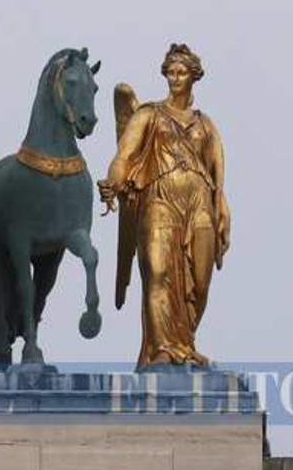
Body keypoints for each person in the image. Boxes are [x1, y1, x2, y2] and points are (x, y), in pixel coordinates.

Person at [98, 43, 231, 368]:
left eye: (181, 72)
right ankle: (161, 348)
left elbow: (218, 178)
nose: (175, 78)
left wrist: (222, 209)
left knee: (199, 282)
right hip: (159, 201)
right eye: (170, 72)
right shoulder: (149, 114)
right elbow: (124, 156)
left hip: (199, 203)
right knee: (157, 274)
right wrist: (112, 182)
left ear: (194, 77)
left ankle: (184, 344)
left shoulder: (206, 125)